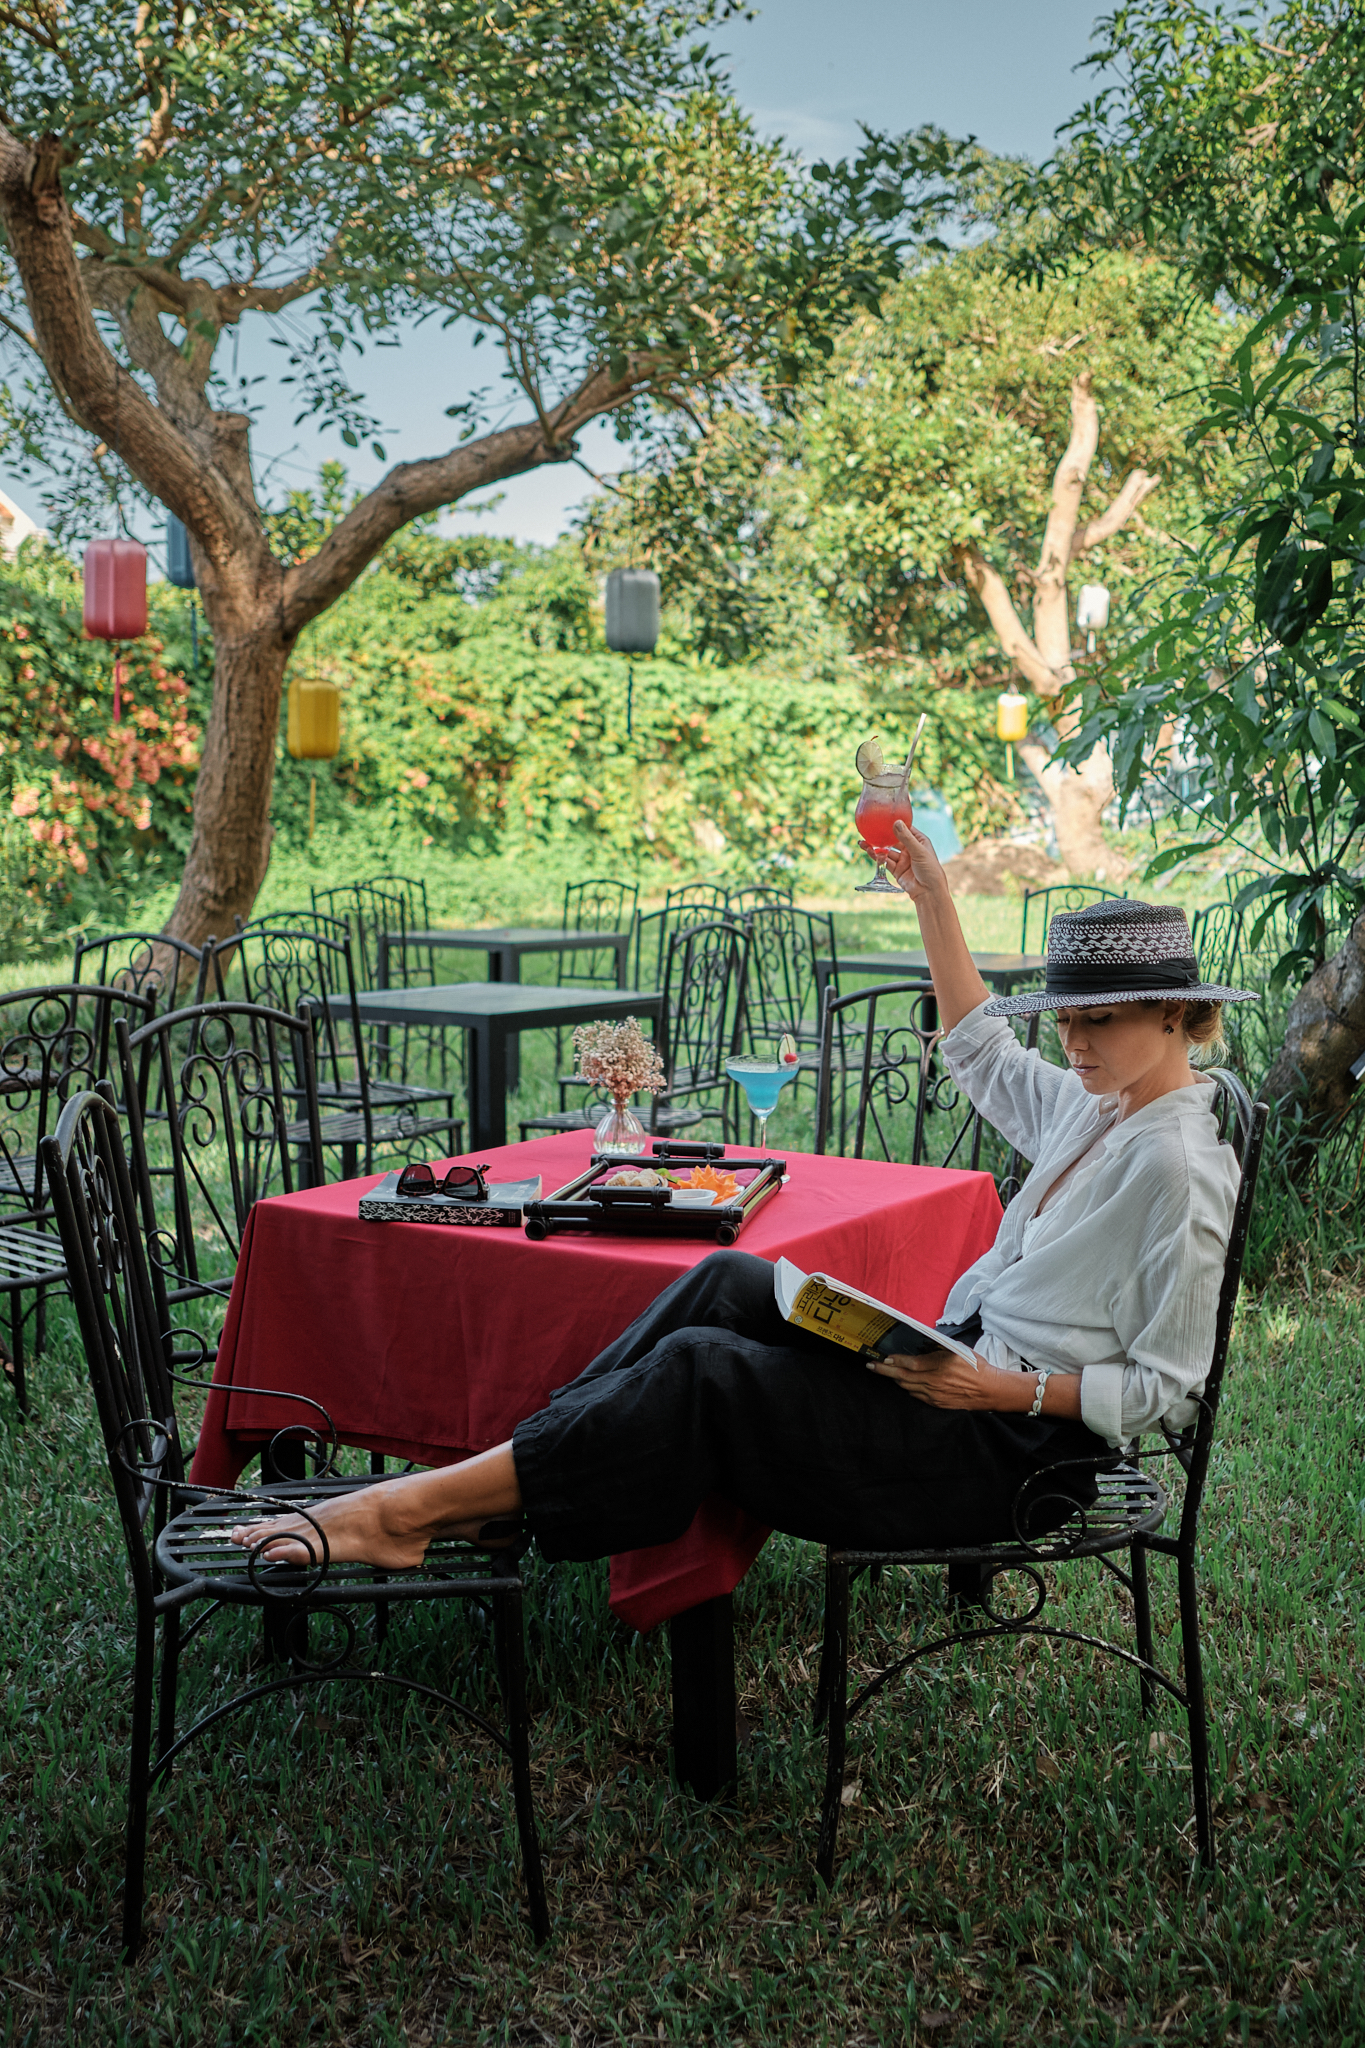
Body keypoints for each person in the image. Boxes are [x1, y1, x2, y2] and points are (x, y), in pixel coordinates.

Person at [232, 822, 1256, 1572]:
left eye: (1098, 1020)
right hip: (953, 1368)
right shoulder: (1100, 1101)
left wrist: (1007, 1391)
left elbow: (1171, 1384)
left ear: (1175, 1013)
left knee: (703, 1372)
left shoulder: (1178, 1164)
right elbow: (984, 1047)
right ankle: (503, 1491)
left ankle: (410, 1512)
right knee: (731, 1276)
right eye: (1063, 1019)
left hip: (1012, 1448)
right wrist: (932, 894)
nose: (1069, 1042)